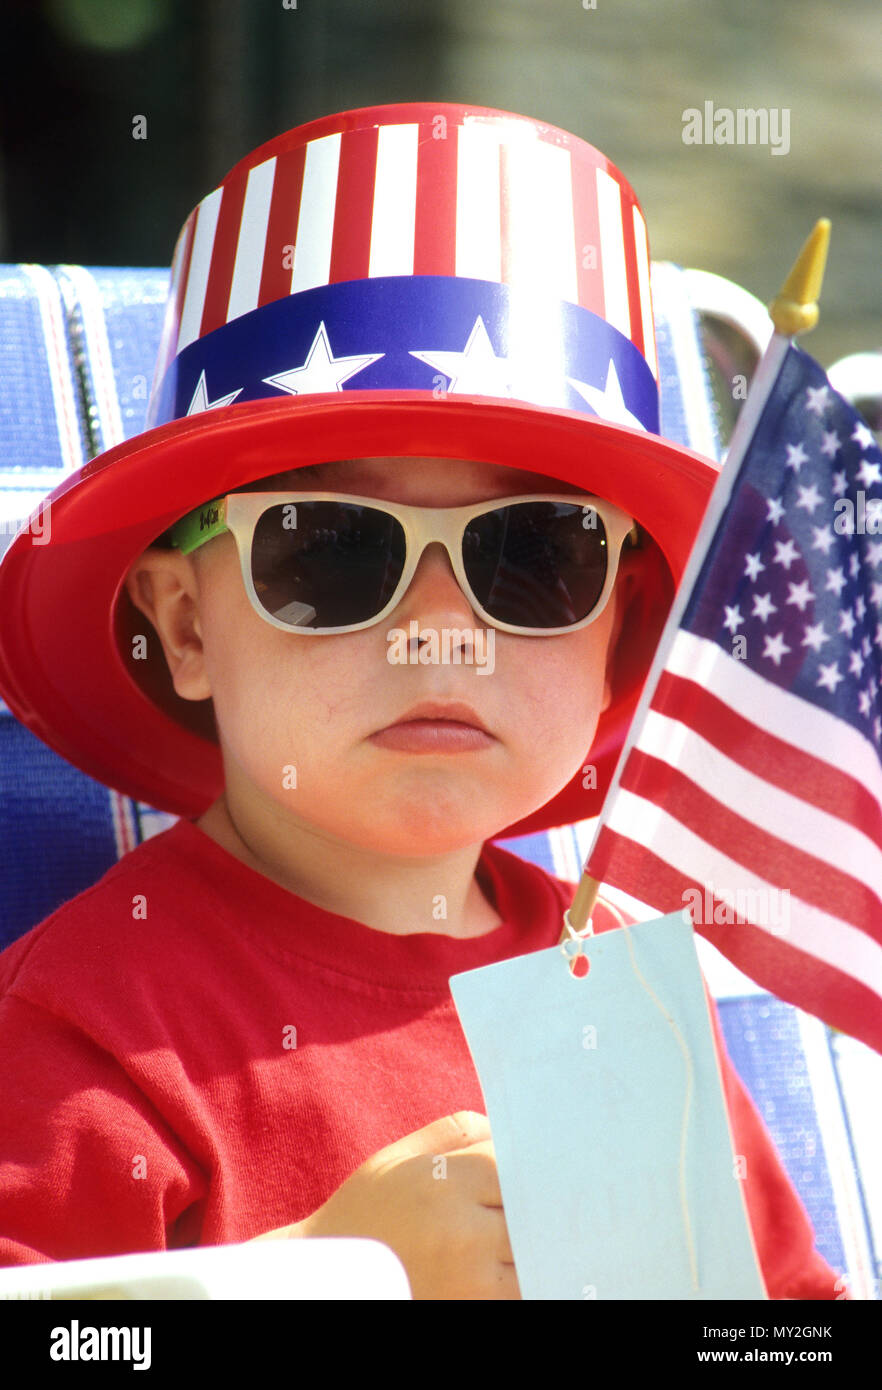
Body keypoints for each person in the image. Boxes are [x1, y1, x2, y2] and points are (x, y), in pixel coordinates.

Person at [0, 102, 838, 1299]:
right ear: (187, 624)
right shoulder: (92, 1024)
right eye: (331, 547)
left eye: (534, 555)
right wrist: (321, 1275)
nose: (445, 626)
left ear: (619, 635)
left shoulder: (627, 993)